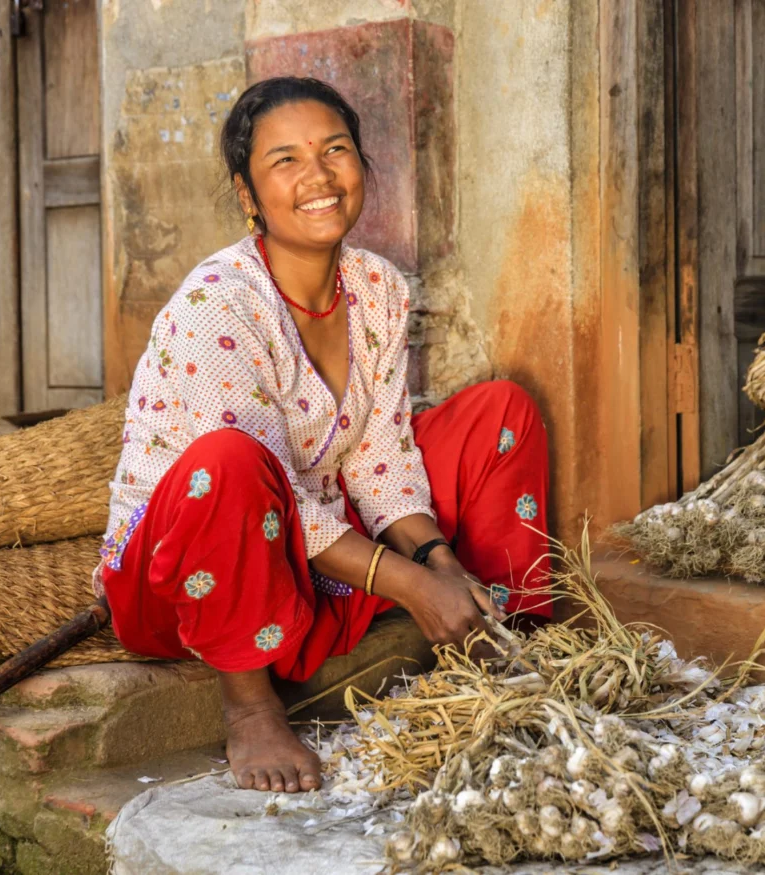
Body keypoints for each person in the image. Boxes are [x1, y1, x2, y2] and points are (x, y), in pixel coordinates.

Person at [95, 76, 552, 795]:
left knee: (500, 411)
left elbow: (379, 453)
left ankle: (509, 637)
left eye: (335, 149)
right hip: (187, 569)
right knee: (229, 459)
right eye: (285, 160)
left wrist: (437, 561)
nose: (318, 176)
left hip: (312, 545)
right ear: (248, 195)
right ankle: (248, 703)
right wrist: (408, 584)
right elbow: (249, 479)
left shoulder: (378, 288)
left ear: (361, 167)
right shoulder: (219, 302)